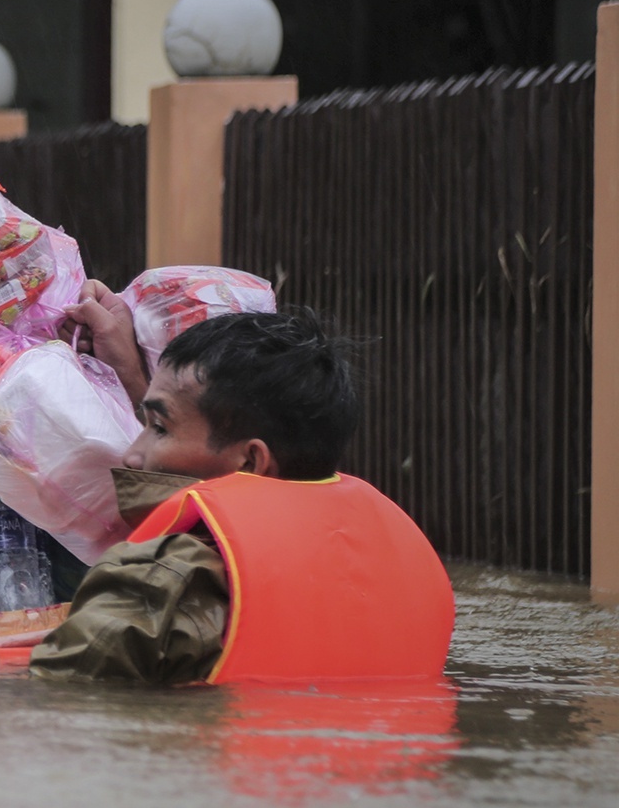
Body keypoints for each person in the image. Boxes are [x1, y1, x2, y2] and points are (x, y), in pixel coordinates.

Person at [30, 289, 454, 685]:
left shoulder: (163, 579)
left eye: (158, 427)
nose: (131, 457)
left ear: (252, 460)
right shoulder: (398, 569)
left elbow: (57, 703)